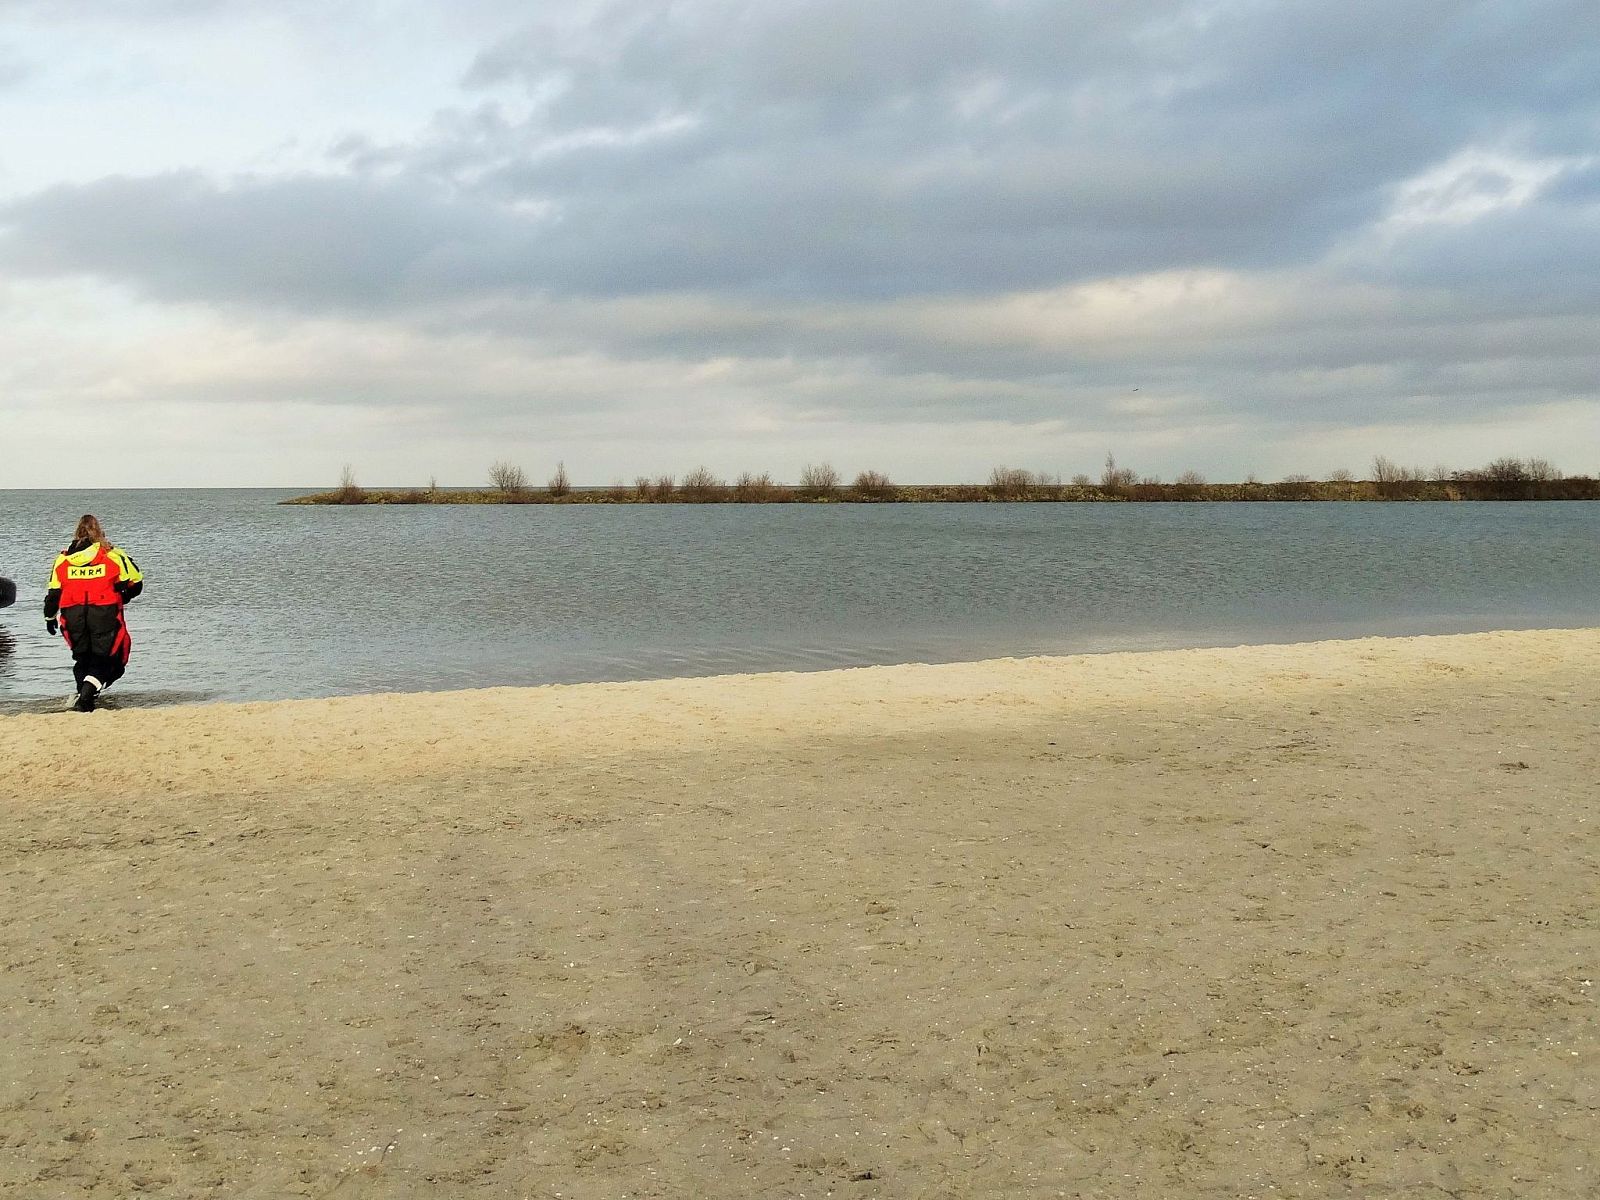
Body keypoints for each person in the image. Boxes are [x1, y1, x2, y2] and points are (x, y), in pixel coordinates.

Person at [44, 515, 144, 712]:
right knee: (108, 660)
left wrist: (49, 617)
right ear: (99, 531)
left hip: (72, 615)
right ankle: (85, 699)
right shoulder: (112, 555)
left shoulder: (62, 560)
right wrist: (124, 595)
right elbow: (136, 582)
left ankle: (85, 697)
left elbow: (53, 594)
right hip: (104, 613)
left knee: (83, 659)